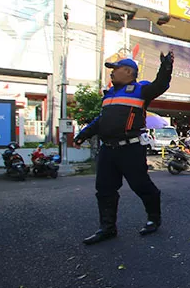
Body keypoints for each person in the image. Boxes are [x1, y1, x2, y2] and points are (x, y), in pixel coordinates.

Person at [74, 52, 174, 245]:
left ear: (128, 71)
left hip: (131, 149)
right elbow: (100, 121)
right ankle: (107, 228)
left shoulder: (140, 89)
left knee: (140, 185)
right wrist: (82, 135)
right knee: (104, 189)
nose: (111, 73)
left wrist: (166, 67)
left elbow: (160, 85)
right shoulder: (109, 94)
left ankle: (154, 219)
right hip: (108, 150)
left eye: (115, 69)